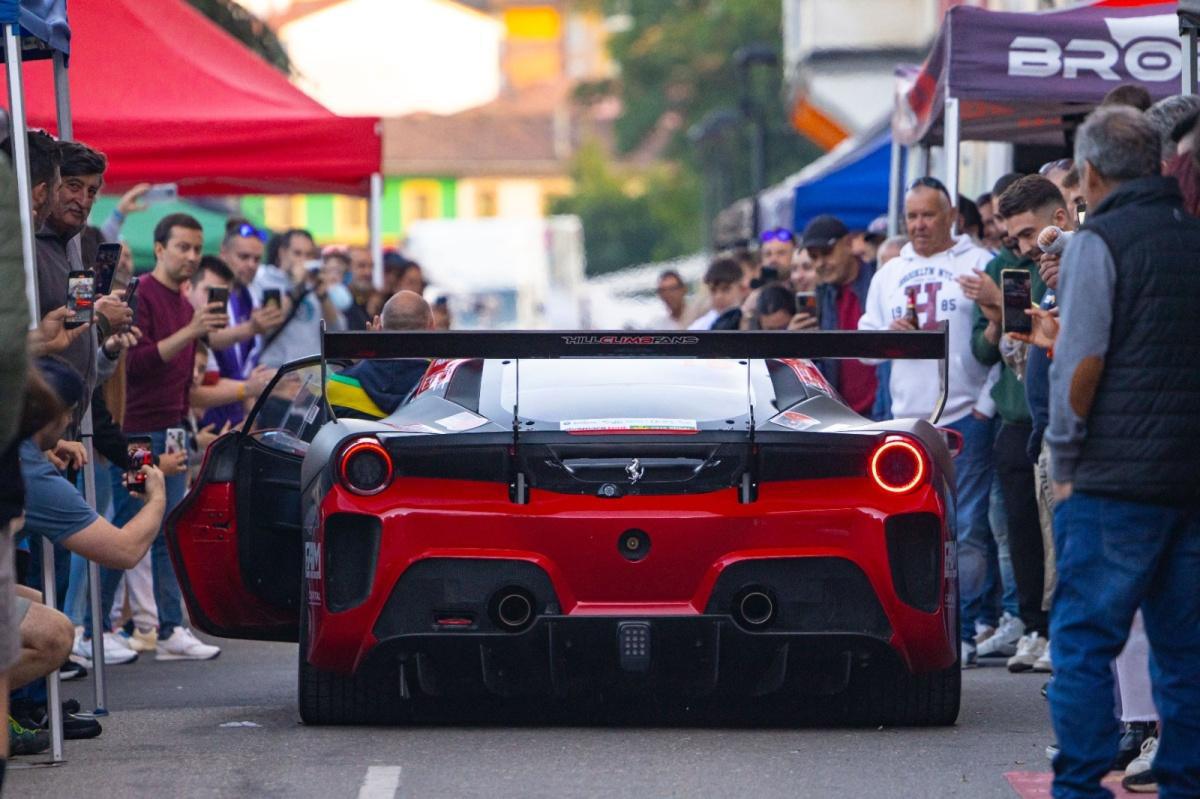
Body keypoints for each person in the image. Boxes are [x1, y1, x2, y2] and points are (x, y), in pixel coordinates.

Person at [1039, 104, 1200, 798]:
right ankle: (1185, 780)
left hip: (1111, 479)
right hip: (1188, 478)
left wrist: (1066, 462)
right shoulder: (1191, 236)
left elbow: (1081, 365)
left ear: (1090, 173)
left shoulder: (1096, 244)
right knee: (1185, 650)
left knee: (1083, 642)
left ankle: (1080, 784)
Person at [858, 176, 997, 668]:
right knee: (917, 528)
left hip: (965, 415)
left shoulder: (980, 264)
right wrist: (887, 338)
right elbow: (866, 349)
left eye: (928, 215)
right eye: (911, 216)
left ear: (951, 217)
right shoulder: (889, 274)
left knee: (969, 527)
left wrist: (987, 401)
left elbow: (1001, 337)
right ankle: (926, 629)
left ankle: (967, 627)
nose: (918, 225)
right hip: (905, 422)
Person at [81, 213, 225, 662]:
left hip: (174, 427)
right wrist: (191, 333)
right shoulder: (141, 295)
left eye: (196, 249)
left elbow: (180, 376)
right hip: (137, 430)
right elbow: (136, 366)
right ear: (159, 248)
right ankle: (92, 627)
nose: (191, 257)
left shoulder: (185, 306)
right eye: (182, 247)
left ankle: (170, 628)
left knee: (168, 528)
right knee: (125, 525)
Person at [17, 359, 168, 737]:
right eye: (68, 415)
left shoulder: (18, 451)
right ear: (53, 414)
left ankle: (17, 708)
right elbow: (124, 550)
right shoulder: (33, 474)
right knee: (56, 633)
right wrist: (157, 499)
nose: (71, 423)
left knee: (38, 599)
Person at [962, 175, 1052, 674]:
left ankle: (1050, 625)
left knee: (1050, 532)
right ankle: (1033, 623)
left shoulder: (1051, 261)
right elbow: (984, 348)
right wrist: (994, 313)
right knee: (1017, 529)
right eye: (1005, 230)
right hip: (1014, 416)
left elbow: (1047, 329)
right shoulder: (999, 265)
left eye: (1018, 232)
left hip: (1051, 414)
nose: (1012, 242)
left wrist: (1002, 302)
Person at [802, 215, 878, 416]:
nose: (820, 263)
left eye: (826, 253)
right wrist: (795, 339)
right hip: (842, 417)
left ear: (849, 244)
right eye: (813, 256)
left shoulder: (878, 280)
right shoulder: (820, 296)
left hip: (882, 411)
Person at [326, 291, 433, 419]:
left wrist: (369, 353)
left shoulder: (338, 387)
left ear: (379, 327)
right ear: (431, 328)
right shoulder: (440, 387)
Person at [254, 228, 346, 368]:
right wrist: (297, 288)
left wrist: (323, 296)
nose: (303, 260)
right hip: (277, 370)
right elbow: (269, 324)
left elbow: (338, 330)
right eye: (297, 253)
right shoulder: (264, 280)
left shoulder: (314, 284)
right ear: (282, 253)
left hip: (312, 372)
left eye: (309, 255)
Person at [688, 258, 745, 331]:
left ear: (741, 288)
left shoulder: (752, 321)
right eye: (713, 291)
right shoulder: (700, 329)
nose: (719, 296)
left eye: (725, 289)